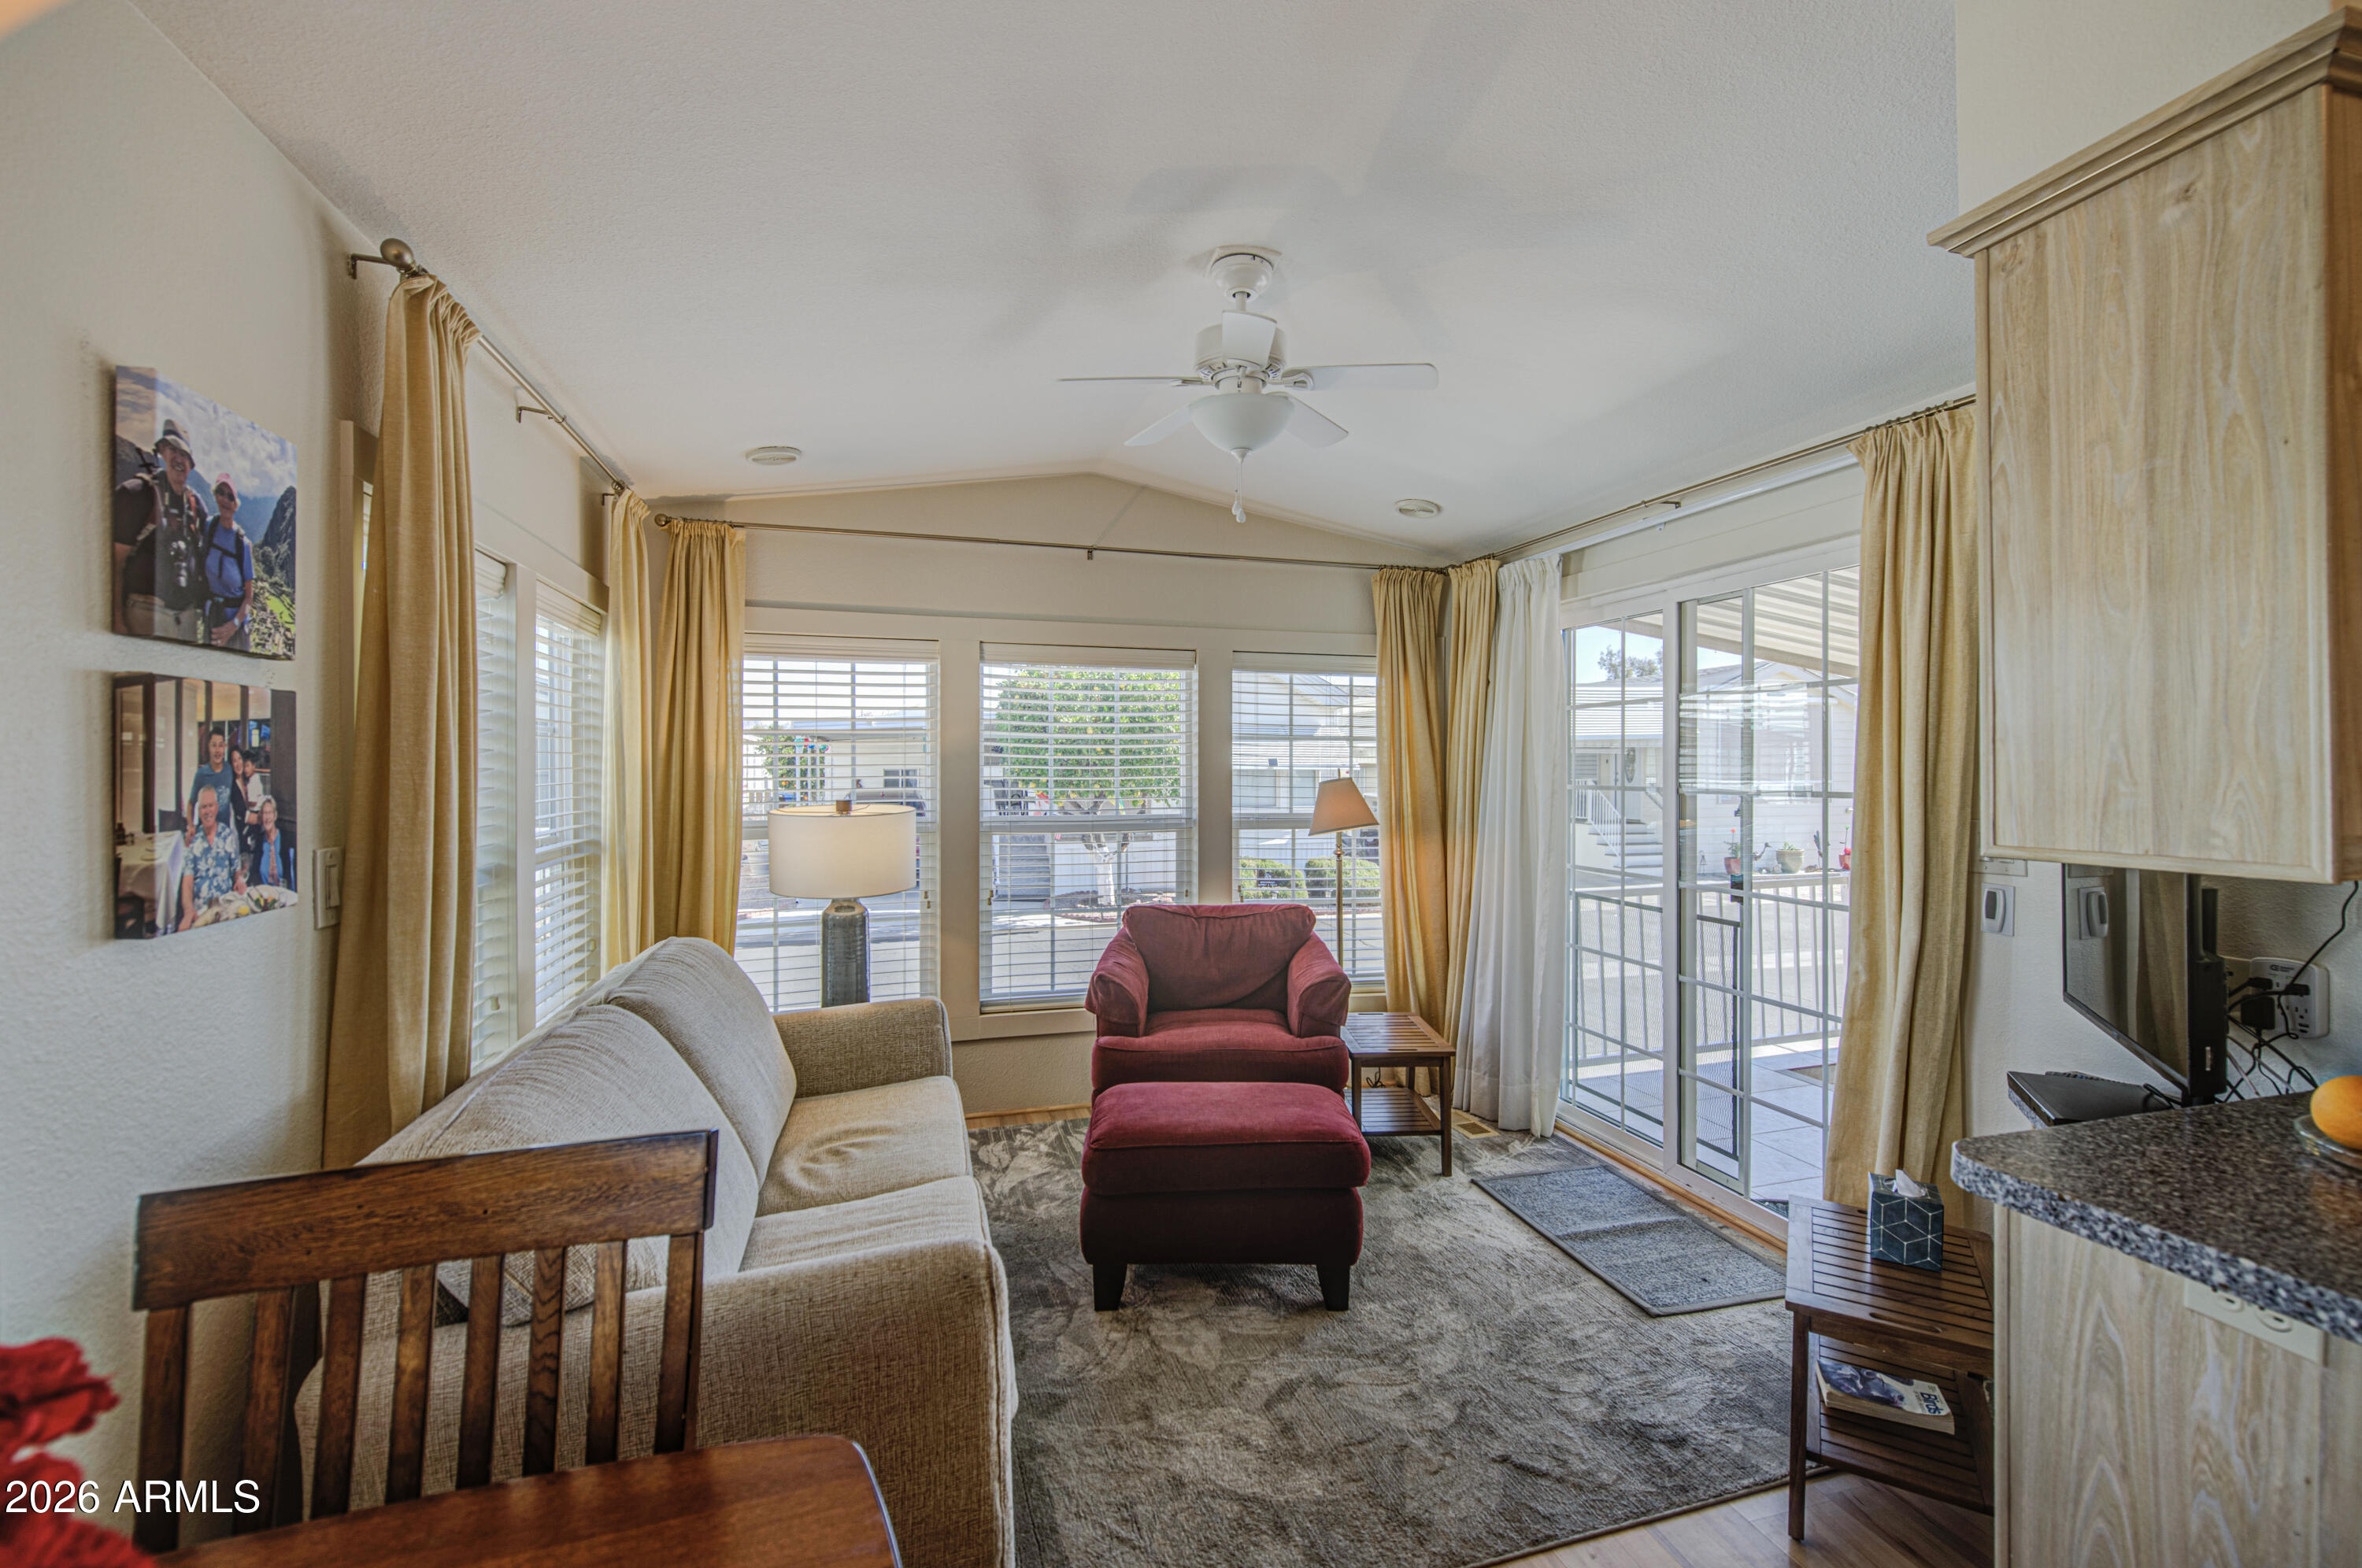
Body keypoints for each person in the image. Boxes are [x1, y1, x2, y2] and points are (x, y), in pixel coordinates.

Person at [112, 419, 209, 641]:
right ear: (162, 452)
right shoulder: (137, 495)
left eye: (184, 454)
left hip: (186, 617)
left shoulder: (196, 505)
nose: (178, 459)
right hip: (145, 612)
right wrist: (117, 619)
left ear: (191, 463)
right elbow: (115, 562)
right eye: (172, 450)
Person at [201, 475, 255, 650]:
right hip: (213, 619)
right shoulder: (209, 527)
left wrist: (234, 625)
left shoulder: (243, 545)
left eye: (230, 496)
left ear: (236, 504)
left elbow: (249, 599)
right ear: (215, 495)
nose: (225, 499)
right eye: (221, 493)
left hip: (236, 628)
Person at [179, 786, 244, 929]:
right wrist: (188, 910)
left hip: (226, 909)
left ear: (217, 807)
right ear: (198, 811)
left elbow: (236, 871)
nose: (207, 811)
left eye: (210, 806)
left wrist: (239, 879)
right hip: (201, 912)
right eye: (203, 807)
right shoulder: (193, 840)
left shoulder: (227, 835)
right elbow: (187, 883)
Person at [188, 729, 238, 829]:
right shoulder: (201, 774)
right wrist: (191, 827)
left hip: (224, 833)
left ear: (224, 747)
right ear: (209, 747)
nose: (217, 750)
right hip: (205, 832)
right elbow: (191, 804)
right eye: (214, 745)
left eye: (221, 745)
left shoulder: (229, 770)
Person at [251, 794, 291, 890]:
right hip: (265, 898)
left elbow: (292, 875)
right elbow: (255, 875)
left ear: (275, 815)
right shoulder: (259, 841)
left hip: (285, 895)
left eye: (269, 813)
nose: (267, 817)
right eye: (264, 813)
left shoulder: (285, 839)